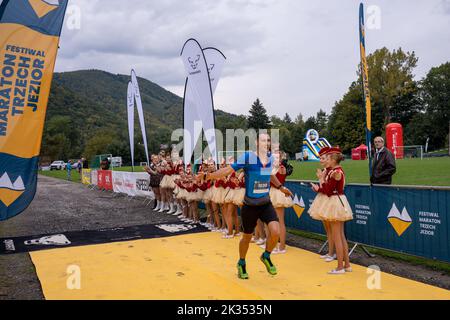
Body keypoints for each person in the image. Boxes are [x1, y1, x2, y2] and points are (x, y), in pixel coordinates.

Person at [198, 132, 293, 280]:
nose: (266, 143)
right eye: (263, 140)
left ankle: (266, 256)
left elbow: (269, 174)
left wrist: (281, 187)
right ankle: (241, 262)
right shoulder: (248, 157)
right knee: (247, 238)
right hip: (250, 205)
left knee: (275, 231)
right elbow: (229, 170)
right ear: (256, 142)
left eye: (268, 140)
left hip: (265, 203)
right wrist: (209, 176)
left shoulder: (268, 158)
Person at [309, 147, 353, 274]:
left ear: (333, 160)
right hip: (336, 201)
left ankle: (340, 267)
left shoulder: (336, 172)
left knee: (337, 236)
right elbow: (328, 189)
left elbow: (328, 191)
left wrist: (320, 182)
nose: (325, 160)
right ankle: (347, 265)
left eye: (328, 158)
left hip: (335, 202)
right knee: (341, 236)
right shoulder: (333, 171)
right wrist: (322, 181)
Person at [308, 147, 336, 262]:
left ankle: (333, 252)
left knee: (332, 228)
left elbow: (328, 189)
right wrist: (318, 188)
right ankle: (330, 252)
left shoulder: (331, 171)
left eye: (323, 158)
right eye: (320, 158)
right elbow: (324, 187)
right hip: (324, 199)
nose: (321, 160)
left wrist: (319, 186)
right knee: (327, 228)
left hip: (329, 200)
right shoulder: (326, 171)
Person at [269, 149, 293, 254]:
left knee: (280, 221)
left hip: (278, 193)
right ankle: (276, 244)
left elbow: (276, 182)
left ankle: (282, 246)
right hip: (273, 192)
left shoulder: (280, 168)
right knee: (274, 221)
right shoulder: (274, 167)